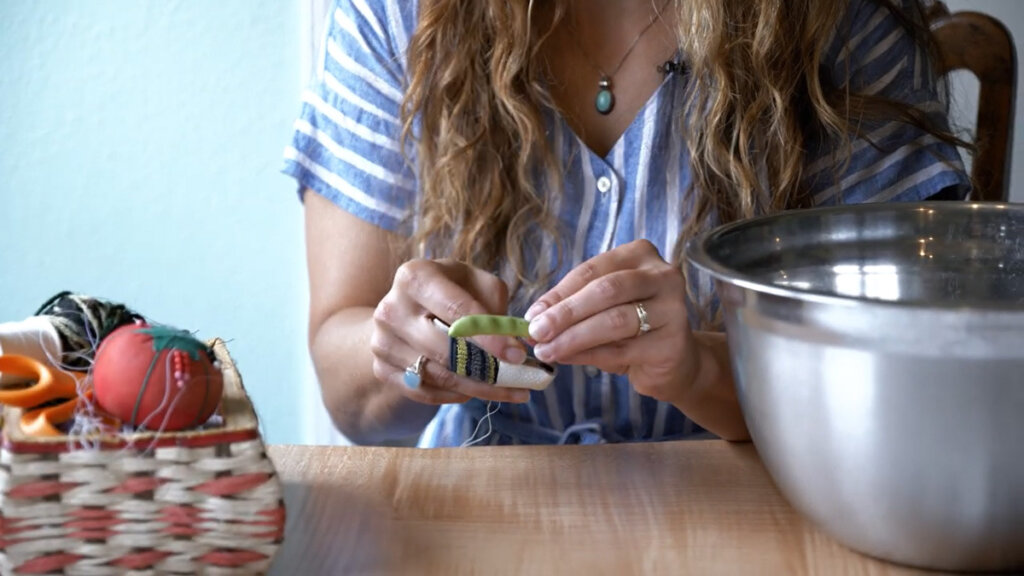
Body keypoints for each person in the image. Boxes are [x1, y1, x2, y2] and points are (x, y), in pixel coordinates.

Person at [283, 0, 970, 447]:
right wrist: (403, 357)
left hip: (752, 515)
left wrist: (698, 368)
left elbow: (906, 395)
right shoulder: (395, 17)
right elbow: (347, 392)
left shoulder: (837, 23)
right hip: (478, 513)